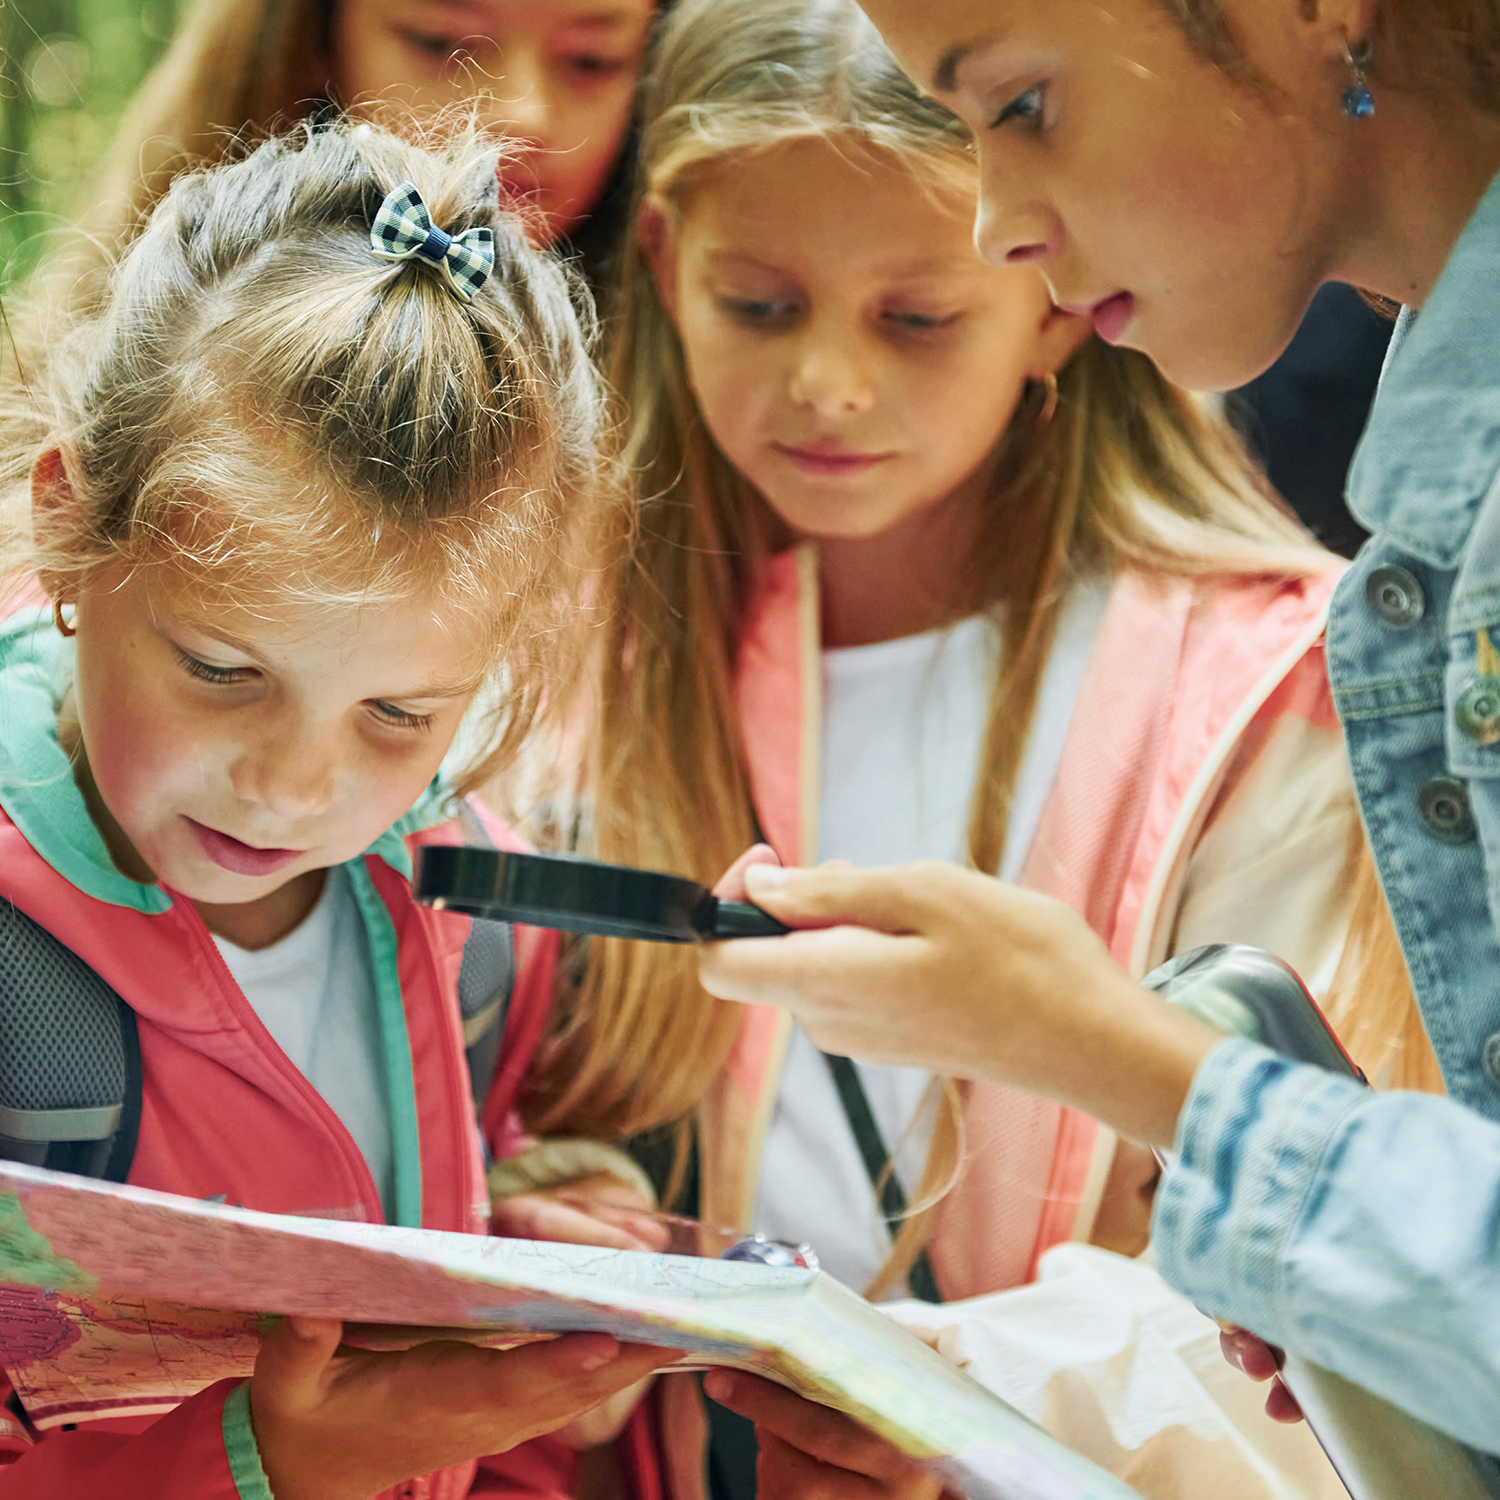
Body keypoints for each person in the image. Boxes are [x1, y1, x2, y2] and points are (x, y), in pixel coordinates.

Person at [522, 0, 1430, 1488]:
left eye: (915, 317)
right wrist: (564, 1216)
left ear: (1052, 293)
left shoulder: (1272, 697)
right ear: (671, 263)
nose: (827, 382)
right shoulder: (549, 653)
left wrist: (963, 1401)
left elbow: (1319, 1282)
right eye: (759, 303)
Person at [0, 119, 664, 1498]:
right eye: (224, 671)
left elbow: (462, 1160)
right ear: (71, 523)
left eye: (399, 717)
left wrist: (542, 1247)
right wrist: (261, 1465)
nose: (299, 787)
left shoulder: (473, 913)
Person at [14, 0, 657, 363]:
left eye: (591, 60)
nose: (524, 112)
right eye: (441, 44)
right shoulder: (173, 345)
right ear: (313, 36)